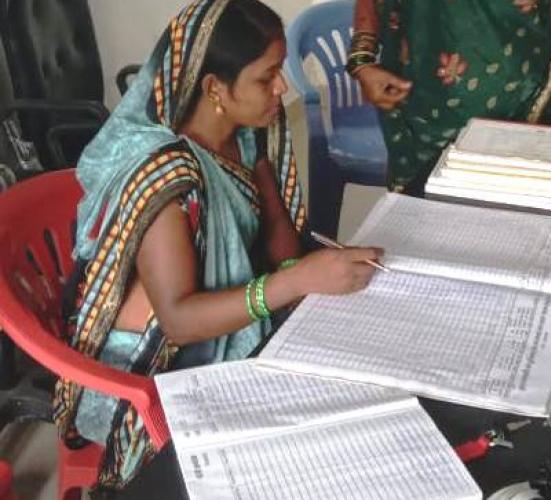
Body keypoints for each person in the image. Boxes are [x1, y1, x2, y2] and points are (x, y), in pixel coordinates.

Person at [53, 0, 381, 490]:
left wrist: (303, 280)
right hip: (152, 366)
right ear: (215, 89)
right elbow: (179, 322)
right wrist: (295, 281)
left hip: (218, 327)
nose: (282, 88)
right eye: (267, 77)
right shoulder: (168, 175)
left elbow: (277, 236)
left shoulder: (243, 136)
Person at [349, 0, 551, 195]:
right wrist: (362, 60)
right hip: (418, 104)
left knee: (514, 227)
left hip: (522, 100)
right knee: (425, 226)